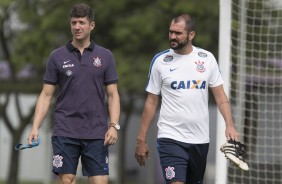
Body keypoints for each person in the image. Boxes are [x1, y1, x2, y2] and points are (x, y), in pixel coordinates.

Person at [135, 14, 239, 184]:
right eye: (170, 32)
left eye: (178, 33)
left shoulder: (207, 59)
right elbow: (151, 102)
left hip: (200, 139)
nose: (172, 37)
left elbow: (221, 99)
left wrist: (230, 125)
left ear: (191, 35)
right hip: (170, 137)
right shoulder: (160, 61)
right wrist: (141, 140)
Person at [27, 3, 120, 184]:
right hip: (65, 129)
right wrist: (35, 127)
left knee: (100, 182)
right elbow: (46, 95)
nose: (77, 27)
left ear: (91, 25)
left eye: (82, 23)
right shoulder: (56, 56)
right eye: (74, 23)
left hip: (96, 131)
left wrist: (113, 126)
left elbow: (113, 95)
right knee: (67, 180)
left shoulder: (106, 56)